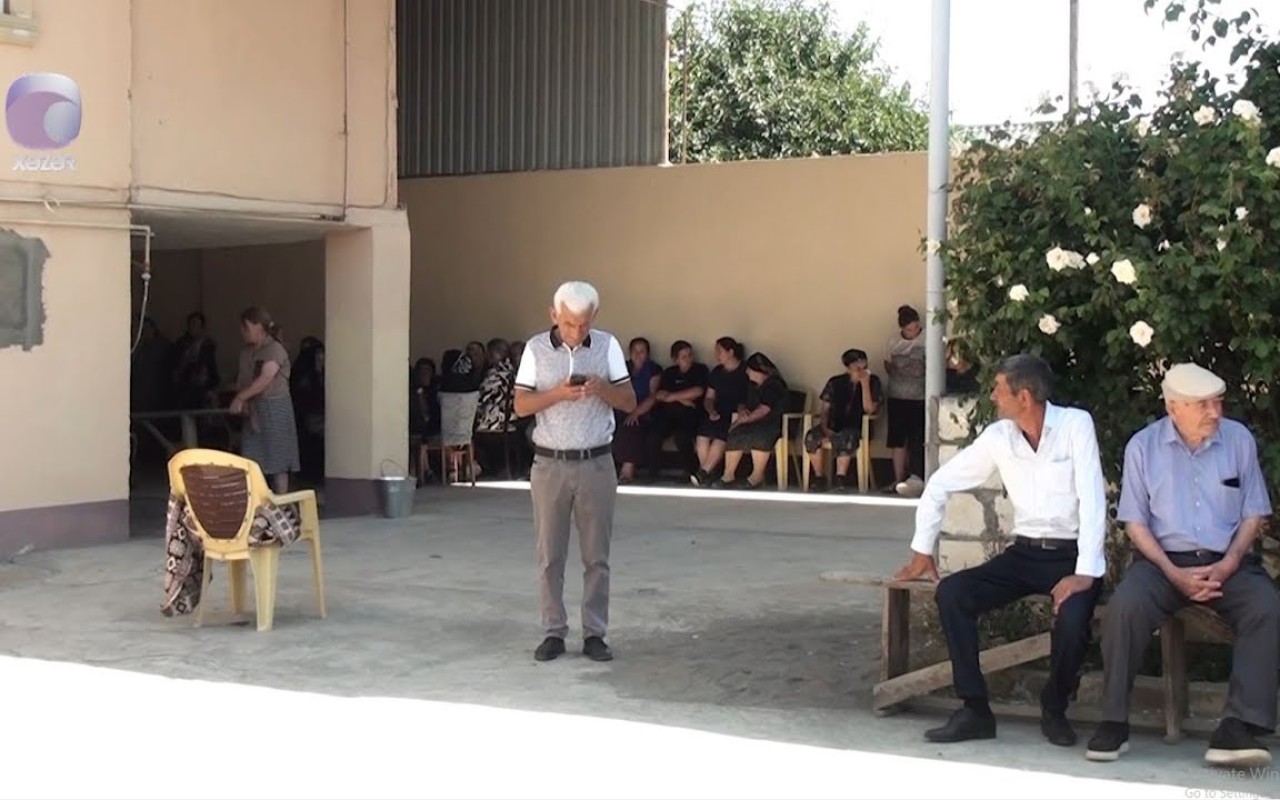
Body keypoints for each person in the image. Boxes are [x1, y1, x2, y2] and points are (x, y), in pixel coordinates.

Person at [893, 354, 1106, 747]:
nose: (992, 396)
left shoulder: (1075, 425)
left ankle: (1055, 707)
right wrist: (922, 549)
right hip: (1023, 555)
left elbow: (1094, 499)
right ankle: (974, 710)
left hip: (1071, 557)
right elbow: (939, 484)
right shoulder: (999, 436)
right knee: (953, 593)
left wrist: (1084, 573)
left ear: (1024, 396)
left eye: (998, 389)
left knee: (1074, 621)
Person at [1086, 363, 1278, 768]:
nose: (1215, 412)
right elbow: (1135, 523)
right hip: (1162, 563)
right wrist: (1173, 573)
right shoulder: (1143, 447)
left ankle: (1238, 726)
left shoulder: (1238, 439)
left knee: (1267, 607)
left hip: (1227, 562)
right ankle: (1113, 721)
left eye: (1218, 402)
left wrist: (1228, 563)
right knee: (1124, 609)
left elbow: (1254, 512)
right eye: (1202, 404)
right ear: (1173, 407)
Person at [513, 280, 636, 663]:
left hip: (596, 463)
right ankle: (553, 631)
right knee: (550, 556)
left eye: (584, 324)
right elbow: (520, 405)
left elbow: (629, 401)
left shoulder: (608, 345)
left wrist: (602, 389)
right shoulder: (535, 349)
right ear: (554, 314)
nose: (576, 332)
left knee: (596, 557)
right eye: (568, 323)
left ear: (594, 317)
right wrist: (557, 394)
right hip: (549, 464)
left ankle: (595, 634)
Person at [230, 307, 300, 494]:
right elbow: (242, 379)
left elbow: (265, 378)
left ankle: (281, 503)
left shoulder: (275, 349)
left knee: (278, 463)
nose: (243, 332)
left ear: (258, 326)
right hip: (253, 410)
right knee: (252, 461)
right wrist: (244, 401)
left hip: (274, 408)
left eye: (246, 327)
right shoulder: (246, 352)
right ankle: (257, 502)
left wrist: (241, 397)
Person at [804, 348, 883, 492]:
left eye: (864, 367)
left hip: (857, 426)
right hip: (834, 423)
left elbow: (869, 409)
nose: (861, 371)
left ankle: (840, 478)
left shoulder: (874, 382)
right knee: (811, 436)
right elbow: (825, 409)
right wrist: (825, 427)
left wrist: (865, 385)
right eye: (857, 368)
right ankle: (819, 477)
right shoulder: (835, 382)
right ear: (848, 368)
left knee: (846, 437)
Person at [885, 305, 926, 493]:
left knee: (917, 437)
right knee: (898, 440)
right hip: (897, 395)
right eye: (910, 329)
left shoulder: (926, 338)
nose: (914, 331)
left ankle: (917, 476)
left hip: (919, 396)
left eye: (916, 327)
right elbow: (887, 363)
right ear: (902, 329)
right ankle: (897, 478)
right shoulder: (893, 340)